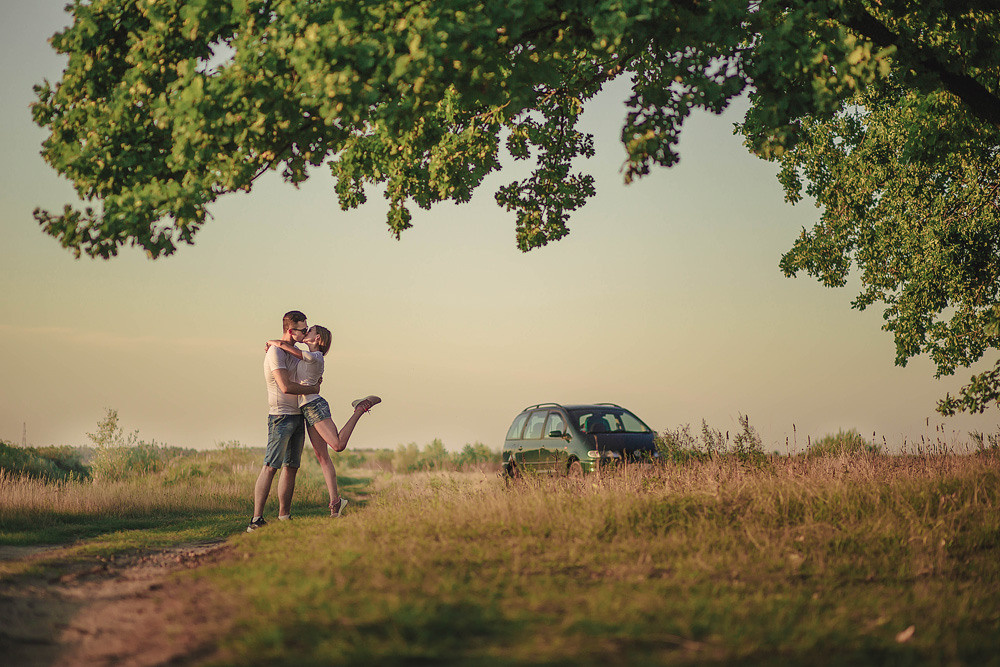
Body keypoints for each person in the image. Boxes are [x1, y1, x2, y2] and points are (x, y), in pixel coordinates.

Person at [266, 325, 381, 518]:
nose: (305, 333)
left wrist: (272, 342)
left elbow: (289, 349)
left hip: (314, 406)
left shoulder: (316, 356)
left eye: (309, 331)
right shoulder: (307, 356)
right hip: (305, 409)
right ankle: (335, 503)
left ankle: (360, 409)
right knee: (322, 458)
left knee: (337, 445)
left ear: (317, 338)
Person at [247, 310, 320, 533]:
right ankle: (256, 519)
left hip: (298, 414)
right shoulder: (275, 353)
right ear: (291, 330)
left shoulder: (295, 351)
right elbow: (285, 386)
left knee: (291, 467)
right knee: (271, 466)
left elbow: (309, 369)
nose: (306, 332)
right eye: (303, 329)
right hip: (280, 416)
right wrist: (313, 389)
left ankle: (284, 517)